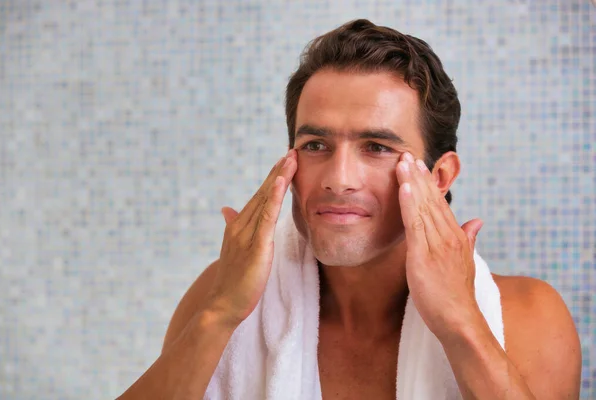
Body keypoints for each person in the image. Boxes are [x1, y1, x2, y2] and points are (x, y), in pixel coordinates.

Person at [117, 19, 581, 399]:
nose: (338, 178)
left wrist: (459, 322)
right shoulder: (220, 299)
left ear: (439, 178)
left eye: (377, 147)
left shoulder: (529, 317)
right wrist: (220, 315)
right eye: (315, 144)